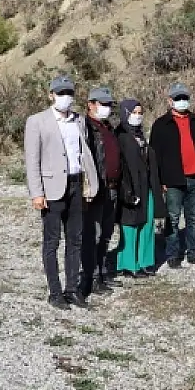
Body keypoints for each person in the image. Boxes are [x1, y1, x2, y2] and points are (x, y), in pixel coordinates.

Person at [24, 75, 100, 310]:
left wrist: (90, 184)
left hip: (76, 184)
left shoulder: (79, 121)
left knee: (75, 240)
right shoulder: (37, 122)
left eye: (69, 93)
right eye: (61, 93)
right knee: (52, 241)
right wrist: (37, 193)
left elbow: (84, 153)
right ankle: (55, 292)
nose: (66, 97)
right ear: (51, 95)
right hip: (52, 188)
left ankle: (72, 290)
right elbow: (32, 160)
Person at [150, 83, 195, 269]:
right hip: (172, 180)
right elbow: (155, 156)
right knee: (172, 218)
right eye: (177, 98)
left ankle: (194, 252)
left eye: (184, 98)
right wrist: (160, 180)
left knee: (194, 218)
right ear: (170, 101)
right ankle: (173, 254)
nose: (181, 101)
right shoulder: (161, 124)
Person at [81, 86, 123, 298]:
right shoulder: (85, 128)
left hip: (112, 188)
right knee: (94, 235)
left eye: (109, 105)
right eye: (102, 104)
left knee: (106, 234)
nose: (107, 108)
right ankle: (91, 276)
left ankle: (102, 272)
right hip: (97, 189)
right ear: (90, 104)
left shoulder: (107, 128)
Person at [115, 99, 165, 278]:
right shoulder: (120, 136)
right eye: (134, 112)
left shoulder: (140, 135)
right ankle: (128, 264)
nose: (137, 116)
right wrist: (126, 189)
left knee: (147, 224)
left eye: (139, 112)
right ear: (125, 113)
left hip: (147, 187)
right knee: (130, 226)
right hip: (130, 187)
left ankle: (145, 262)